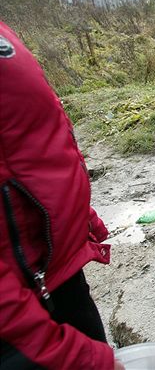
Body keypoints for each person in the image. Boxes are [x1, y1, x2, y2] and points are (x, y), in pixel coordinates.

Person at [0, 21, 123, 369]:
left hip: (55, 268)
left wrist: (81, 215)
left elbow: (34, 140)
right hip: (21, 305)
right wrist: (77, 359)